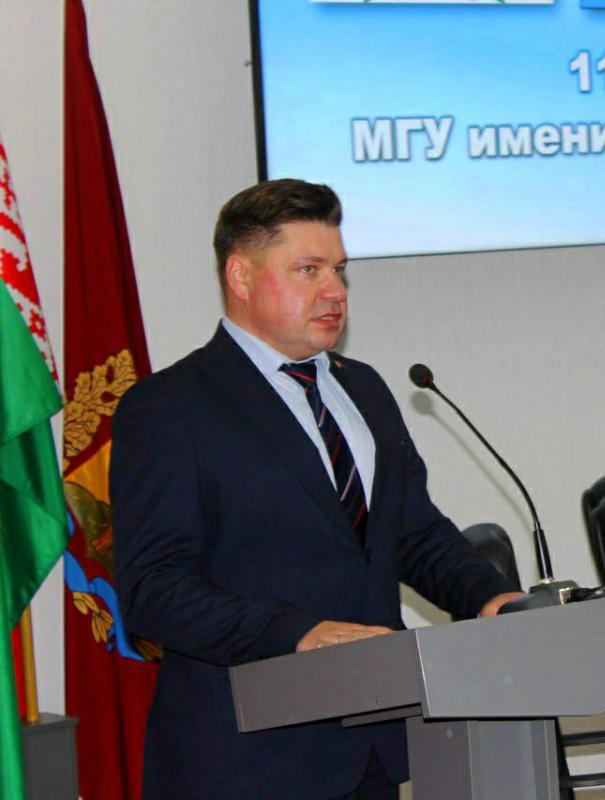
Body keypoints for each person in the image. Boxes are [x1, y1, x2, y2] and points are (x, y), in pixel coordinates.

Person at [112, 179, 524, 799]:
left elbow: (411, 533)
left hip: (371, 745)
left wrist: (491, 598)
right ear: (241, 276)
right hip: (245, 758)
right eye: (308, 270)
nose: (335, 291)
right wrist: (296, 632)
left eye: (339, 270)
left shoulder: (363, 388)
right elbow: (153, 589)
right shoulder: (170, 407)